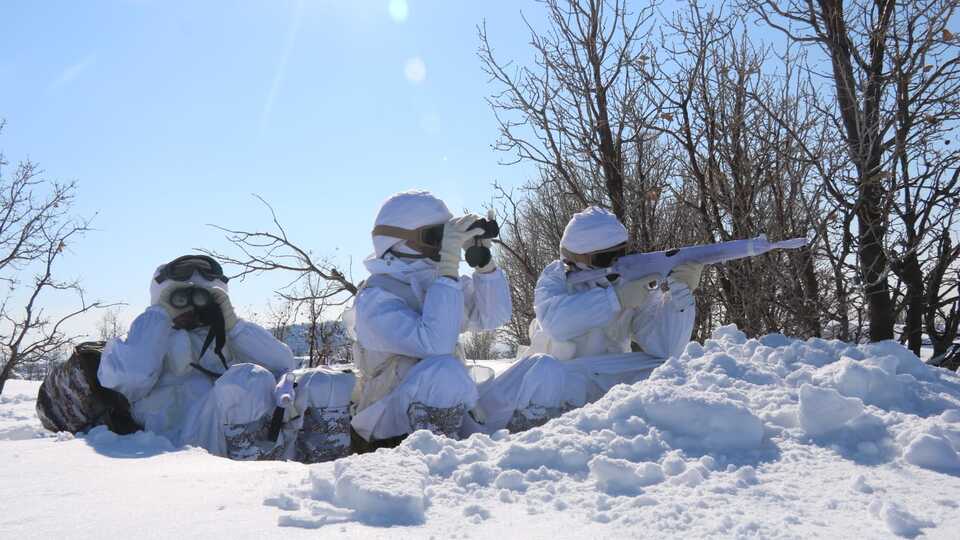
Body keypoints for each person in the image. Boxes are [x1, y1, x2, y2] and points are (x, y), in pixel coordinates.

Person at [95, 254, 355, 462]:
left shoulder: (224, 336)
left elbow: (283, 363)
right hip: (183, 440)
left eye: (200, 298)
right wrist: (160, 315)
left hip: (244, 431)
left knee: (322, 381)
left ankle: (325, 468)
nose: (191, 306)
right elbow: (133, 376)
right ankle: (254, 478)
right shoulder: (146, 338)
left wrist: (233, 325)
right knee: (246, 380)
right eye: (180, 297)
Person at [474, 206, 703, 432]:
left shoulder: (631, 279)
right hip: (556, 380)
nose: (616, 263)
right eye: (606, 257)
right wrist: (615, 299)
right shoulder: (555, 277)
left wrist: (679, 297)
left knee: (660, 368)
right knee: (545, 368)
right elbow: (556, 324)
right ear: (579, 258)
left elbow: (666, 348)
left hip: (600, 376)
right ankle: (532, 431)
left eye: (622, 253)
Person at [346, 190, 512, 445]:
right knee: (443, 370)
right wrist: (448, 266)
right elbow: (436, 345)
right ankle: (435, 458)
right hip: (388, 420)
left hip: (451, 400)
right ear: (397, 241)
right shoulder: (376, 297)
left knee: (541, 368)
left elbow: (494, 317)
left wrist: (484, 264)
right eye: (437, 236)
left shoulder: (438, 280)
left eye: (447, 235)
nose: (445, 244)